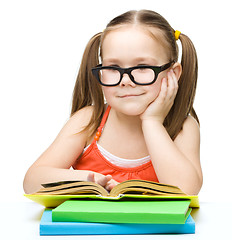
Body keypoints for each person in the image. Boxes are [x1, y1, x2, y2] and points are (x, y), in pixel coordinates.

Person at [23, 10, 203, 195]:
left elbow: (186, 191)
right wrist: (89, 180)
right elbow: (32, 181)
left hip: (157, 226)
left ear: (173, 73)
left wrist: (152, 122)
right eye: (113, 68)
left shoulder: (182, 128)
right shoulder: (89, 121)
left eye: (142, 67)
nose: (125, 80)